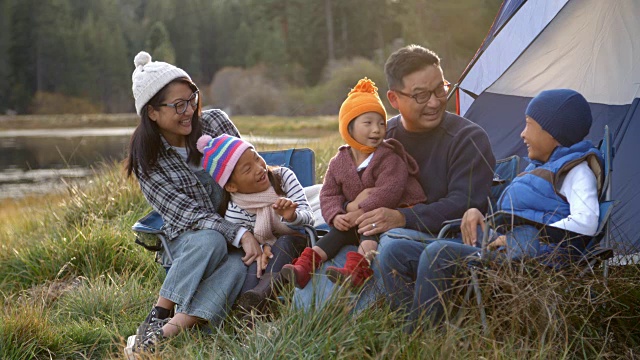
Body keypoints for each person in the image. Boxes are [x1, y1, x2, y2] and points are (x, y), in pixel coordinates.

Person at [383, 88, 603, 331]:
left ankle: (420, 339)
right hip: (498, 247)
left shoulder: (575, 171)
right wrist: (480, 214)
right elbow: (513, 216)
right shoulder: (540, 168)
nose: (522, 133)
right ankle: (409, 333)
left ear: (554, 133)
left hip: (527, 260)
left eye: (529, 125)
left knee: (438, 253)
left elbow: (586, 224)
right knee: (396, 251)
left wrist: (521, 241)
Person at [294, 45, 495, 310]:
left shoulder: (468, 139)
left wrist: (402, 217)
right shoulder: (379, 135)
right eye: (421, 95)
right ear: (394, 99)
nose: (435, 102)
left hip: (439, 238)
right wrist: (347, 210)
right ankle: (315, 327)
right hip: (369, 232)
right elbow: (341, 185)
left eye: (440, 89)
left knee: (389, 244)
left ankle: (386, 327)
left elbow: (465, 202)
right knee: (333, 249)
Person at [123, 52, 262, 357]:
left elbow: (247, 171)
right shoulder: (148, 159)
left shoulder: (215, 122)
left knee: (240, 264)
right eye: (178, 106)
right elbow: (188, 215)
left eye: (192, 99)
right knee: (211, 239)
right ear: (152, 113)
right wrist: (238, 234)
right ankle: (160, 311)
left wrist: (253, 227)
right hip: (188, 238)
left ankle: (168, 332)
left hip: (239, 222)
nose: (189, 111)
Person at [280, 77, 426, 290]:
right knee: (337, 233)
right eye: (368, 123)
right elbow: (329, 194)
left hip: (395, 212)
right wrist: (336, 215)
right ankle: (305, 266)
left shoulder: (390, 157)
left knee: (370, 224)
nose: (376, 130)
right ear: (349, 127)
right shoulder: (339, 162)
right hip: (356, 217)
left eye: (381, 123)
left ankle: (358, 269)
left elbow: (389, 191)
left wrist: (358, 211)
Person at [196, 134, 313, 311]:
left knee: (283, 243)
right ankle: (247, 313)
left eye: (257, 158)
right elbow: (250, 245)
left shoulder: (284, 178)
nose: (259, 168)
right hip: (267, 255)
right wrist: (263, 248)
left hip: (298, 244)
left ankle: (260, 294)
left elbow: (309, 219)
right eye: (247, 169)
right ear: (231, 187)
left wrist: (292, 216)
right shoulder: (235, 211)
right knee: (252, 263)